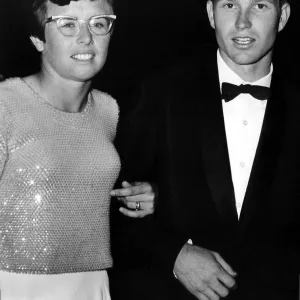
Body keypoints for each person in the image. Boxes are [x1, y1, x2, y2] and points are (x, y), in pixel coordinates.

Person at [110, 0, 300, 299]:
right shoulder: (160, 92)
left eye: (260, 5)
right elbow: (111, 206)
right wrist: (175, 255)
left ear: (283, 16)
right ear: (211, 13)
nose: (242, 22)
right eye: (229, 5)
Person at [0, 0, 156, 299]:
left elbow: (77, 198)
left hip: (92, 284)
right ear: (38, 40)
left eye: (98, 23)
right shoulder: (6, 105)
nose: (86, 37)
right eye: (68, 24)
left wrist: (144, 197)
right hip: (15, 286)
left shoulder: (109, 110)